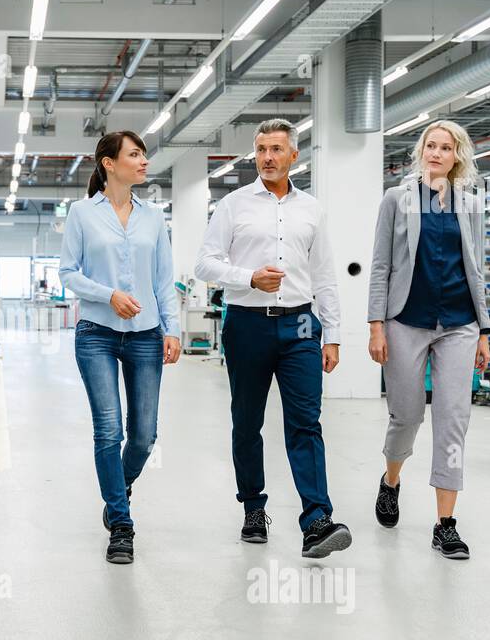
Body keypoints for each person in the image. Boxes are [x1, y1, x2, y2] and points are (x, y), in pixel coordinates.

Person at [194, 118, 350, 559]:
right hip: (246, 323)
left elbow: (324, 275)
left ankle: (317, 519)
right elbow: (204, 264)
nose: (267, 157)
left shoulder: (312, 209)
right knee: (247, 422)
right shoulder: (233, 205)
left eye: (276, 149)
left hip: (301, 324)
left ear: (293, 155)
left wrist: (333, 334)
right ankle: (253, 507)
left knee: (306, 422)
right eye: (261, 149)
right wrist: (248, 278)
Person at [367, 119, 490, 560]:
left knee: (454, 418)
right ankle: (391, 480)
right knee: (407, 415)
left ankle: (446, 524)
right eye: (430, 146)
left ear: (458, 156)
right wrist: (376, 325)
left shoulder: (472, 206)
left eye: (446, 147)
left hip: (459, 323)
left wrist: (484, 330)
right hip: (406, 320)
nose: (436, 153)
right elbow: (381, 265)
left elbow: (476, 269)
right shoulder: (396, 201)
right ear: (420, 151)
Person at [59, 130, 182, 565]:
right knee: (109, 430)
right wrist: (107, 294)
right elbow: (68, 274)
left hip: (147, 336)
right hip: (96, 332)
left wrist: (173, 329)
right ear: (109, 164)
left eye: (144, 154)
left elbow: (164, 280)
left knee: (144, 436)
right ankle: (122, 523)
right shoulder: (82, 214)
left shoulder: (154, 217)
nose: (144, 161)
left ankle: (117, 489)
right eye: (135, 154)